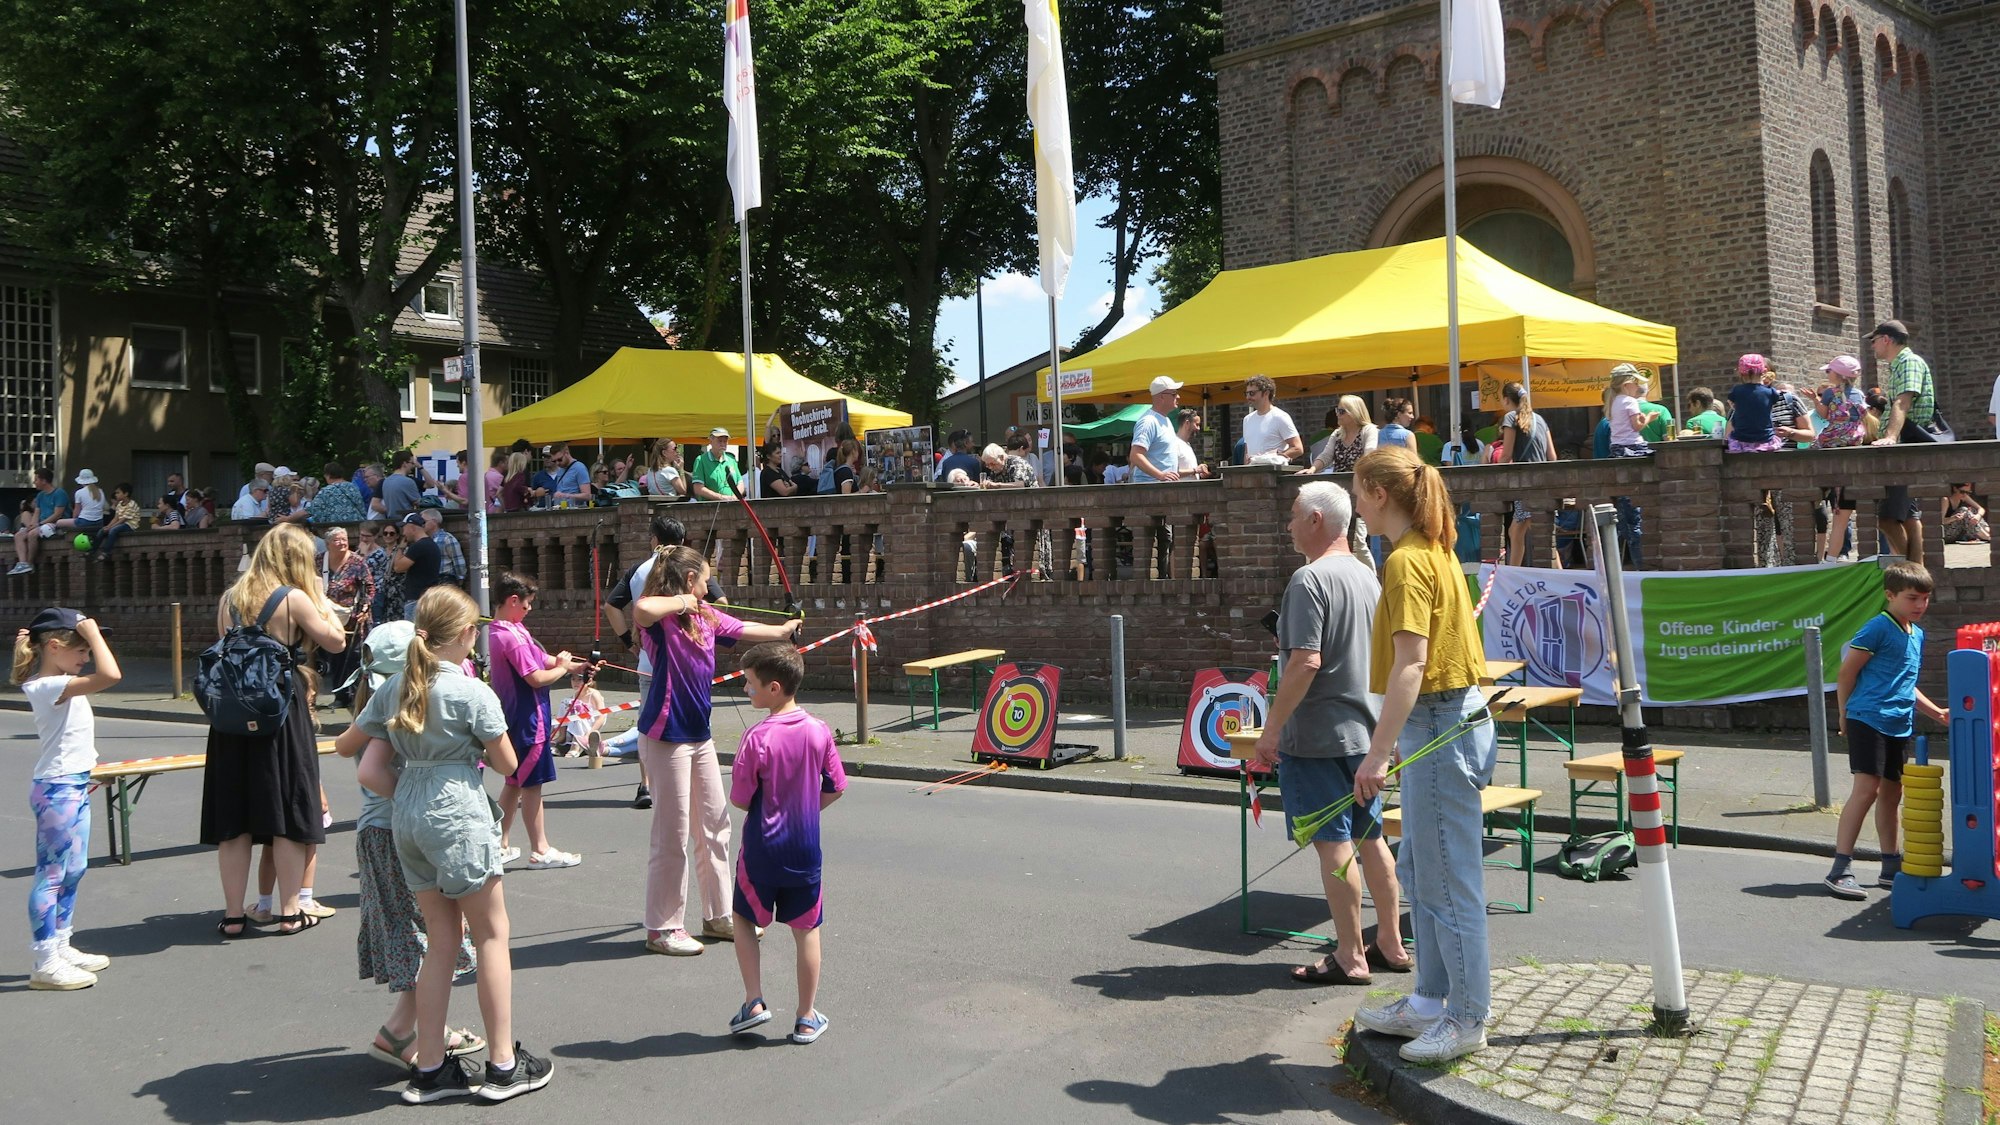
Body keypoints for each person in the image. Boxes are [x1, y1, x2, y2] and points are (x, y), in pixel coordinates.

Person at [355, 586, 556, 1103]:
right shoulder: (470, 690)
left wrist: (414, 796)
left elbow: (369, 766)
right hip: (457, 811)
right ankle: (503, 1066)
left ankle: (429, 1069)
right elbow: (510, 765)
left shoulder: (396, 686)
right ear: (466, 634)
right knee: (491, 936)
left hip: (408, 817)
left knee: (440, 943)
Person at [1350, 447, 1496, 1064]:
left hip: (1438, 722)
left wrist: (1376, 755)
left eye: (1357, 490)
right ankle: (1432, 1001)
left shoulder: (1408, 562)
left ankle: (1465, 1017)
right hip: (1448, 720)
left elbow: (1411, 663)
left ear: (1380, 494)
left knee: (1447, 883)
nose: (1355, 502)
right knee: (1423, 873)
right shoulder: (1432, 550)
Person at [1251, 482, 1407, 987]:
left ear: (1316, 519)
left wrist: (1270, 732)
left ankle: (1350, 954)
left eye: (1294, 515)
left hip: (1318, 738)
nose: (1289, 524)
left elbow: (1306, 662)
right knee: (1372, 838)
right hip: (1366, 735)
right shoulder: (1369, 578)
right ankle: (1390, 942)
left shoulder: (1307, 580)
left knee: (1334, 846)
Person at [630, 545, 802, 956]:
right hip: (665, 731)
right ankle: (663, 927)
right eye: (705, 578)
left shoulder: (705, 617)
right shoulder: (662, 618)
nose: (710, 586)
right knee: (672, 832)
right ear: (690, 580)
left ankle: (717, 914)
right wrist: (682, 601)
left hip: (698, 733)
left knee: (715, 825)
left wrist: (783, 630)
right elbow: (641, 610)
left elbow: (743, 628)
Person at [333, 621, 485, 1071]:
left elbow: (346, 748)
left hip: (379, 830)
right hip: (400, 828)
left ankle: (416, 1028)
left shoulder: (379, 701)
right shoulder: (405, 704)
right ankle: (401, 1031)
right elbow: (369, 771)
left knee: (421, 933)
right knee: (433, 935)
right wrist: (415, 795)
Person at [203, 524, 347, 939]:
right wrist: (319, 599)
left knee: (234, 819)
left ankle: (233, 915)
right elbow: (336, 642)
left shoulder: (229, 599)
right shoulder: (294, 598)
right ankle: (288, 911)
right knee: (285, 810)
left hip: (231, 717)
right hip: (280, 712)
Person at [725, 642, 845, 1044]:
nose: (745, 690)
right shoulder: (819, 730)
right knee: (806, 930)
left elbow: (740, 799)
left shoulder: (756, 737)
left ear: (774, 687)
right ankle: (807, 1016)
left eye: (750, 684)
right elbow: (836, 787)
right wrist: (807, 809)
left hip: (761, 849)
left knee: (742, 917)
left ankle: (754, 1000)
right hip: (804, 850)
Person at [1825, 562, 1947, 900]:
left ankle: (1890, 867)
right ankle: (1840, 868)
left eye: (1925, 599)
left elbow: (1906, 684)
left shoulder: (1917, 634)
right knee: (1867, 790)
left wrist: (1937, 712)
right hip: (1868, 717)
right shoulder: (1877, 627)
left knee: (1893, 794)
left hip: (1899, 722)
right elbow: (1847, 673)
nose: (1920, 606)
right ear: (1890, 595)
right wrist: (1845, 713)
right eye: (1912, 598)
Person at [14, 608, 121, 990]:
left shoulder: (57, 678)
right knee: (53, 874)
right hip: (57, 789)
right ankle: (45, 961)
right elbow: (111, 675)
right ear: (55, 647)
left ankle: (61, 944)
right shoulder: (48, 687)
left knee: (74, 869)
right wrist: (94, 634)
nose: (87, 656)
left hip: (72, 783)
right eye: (80, 649)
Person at [602, 515, 727, 809]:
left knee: (648, 725)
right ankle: (689, 787)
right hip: (687, 663)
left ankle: (646, 785)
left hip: (650, 660)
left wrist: (629, 642)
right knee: (691, 726)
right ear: (683, 542)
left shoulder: (639, 569)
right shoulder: (691, 568)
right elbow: (720, 606)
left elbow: (611, 606)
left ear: (655, 540)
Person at [487, 571, 587, 870]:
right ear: (513, 600)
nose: (530, 610)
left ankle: (500, 844)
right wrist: (563, 669)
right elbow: (536, 678)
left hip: (517, 719)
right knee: (533, 786)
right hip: (530, 721)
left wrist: (572, 665)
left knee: (515, 782)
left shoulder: (506, 630)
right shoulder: (511, 636)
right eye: (528, 604)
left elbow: (542, 659)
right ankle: (540, 849)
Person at [1869, 321, 1936, 565]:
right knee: (1909, 517)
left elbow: (1903, 403)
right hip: (1904, 445)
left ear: (1886, 339)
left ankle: (1912, 571)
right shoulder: (1899, 366)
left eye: (1874, 340)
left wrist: (1890, 437)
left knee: (1887, 518)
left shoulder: (1909, 362)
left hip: (1904, 446)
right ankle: (1917, 570)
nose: (1872, 346)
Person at [1498, 382, 1556, 567]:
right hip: (1543, 482)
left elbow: (1506, 454)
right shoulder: (1540, 419)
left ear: (1506, 400)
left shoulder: (1510, 418)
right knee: (1516, 531)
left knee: (1538, 534)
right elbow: (1552, 457)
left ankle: (1558, 574)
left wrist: (1496, 476)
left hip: (1525, 483)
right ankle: (1514, 573)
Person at [320, 525, 375, 709]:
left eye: (344, 539)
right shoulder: (319, 561)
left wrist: (365, 607)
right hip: (328, 618)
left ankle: (356, 696)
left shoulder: (357, 562)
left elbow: (369, 586)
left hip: (354, 617)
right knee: (334, 656)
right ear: (328, 544)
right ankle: (340, 695)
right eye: (337, 539)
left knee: (354, 657)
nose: (342, 542)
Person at [1601, 364, 1651, 567]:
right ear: (1627, 384)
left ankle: (1636, 558)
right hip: (1633, 449)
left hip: (1618, 450)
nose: (1638, 386)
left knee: (1626, 510)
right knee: (1636, 513)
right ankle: (1641, 562)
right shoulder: (1630, 401)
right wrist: (1648, 418)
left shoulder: (1614, 402)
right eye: (1636, 382)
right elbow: (1637, 426)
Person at [12, 467, 70, 576]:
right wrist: (32, 524)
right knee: (19, 535)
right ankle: (22, 563)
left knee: (32, 534)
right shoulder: (40, 496)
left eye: (36, 479)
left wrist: (39, 525)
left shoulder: (59, 493)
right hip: (42, 524)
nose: (34, 482)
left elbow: (58, 514)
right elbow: (37, 513)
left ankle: (30, 564)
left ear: (44, 481)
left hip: (57, 524)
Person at [1129, 376, 1183, 483]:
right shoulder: (1148, 421)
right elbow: (1135, 455)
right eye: (1173, 393)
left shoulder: (1165, 420)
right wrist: (1161, 475)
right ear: (1162, 397)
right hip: (1150, 490)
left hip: (1160, 489)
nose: (1178, 396)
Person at [1240, 374, 1303, 465]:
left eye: (1252, 393)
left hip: (1274, 475)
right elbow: (1247, 453)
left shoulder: (1280, 417)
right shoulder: (1247, 419)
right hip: (1252, 475)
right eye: (1246, 393)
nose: (1248, 397)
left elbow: (1298, 448)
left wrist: (1274, 458)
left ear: (1266, 393)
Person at [1308, 396, 1377, 475]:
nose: (1337, 414)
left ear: (1354, 412)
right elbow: (1326, 455)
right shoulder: (1337, 433)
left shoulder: (1368, 430)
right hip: (1339, 481)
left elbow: (1369, 453)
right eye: (1337, 410)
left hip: (1360, 479)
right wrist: (1312, 469)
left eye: (1341, 411)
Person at [393, 513, 443, 620]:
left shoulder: (419, 546)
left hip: (417, 600)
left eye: (404, 528)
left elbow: (398, 567)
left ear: (412, 527)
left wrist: (400, 548)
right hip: (428, 598)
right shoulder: (431, 544)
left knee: (413, 634)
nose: (403, 532)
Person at [51, 469, 107, 544]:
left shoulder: (79, 493)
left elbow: (76, 511)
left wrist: (74, 520)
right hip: (99, 522)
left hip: (84, 521)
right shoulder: (100, 491)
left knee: (59, 522)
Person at [90, 483, 143, 560]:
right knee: (102, 530)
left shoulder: (132, 505)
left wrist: (111, 527)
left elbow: (123, 520)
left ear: (126, 494)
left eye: (118, 493)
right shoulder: (119, 504)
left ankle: (106, 552)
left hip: (130, 525)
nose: (116, 495)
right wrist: (108, 526)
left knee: (113, 530)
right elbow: (116, 518)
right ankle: (92, 551)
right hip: (121, 524)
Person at [691, 429, 743, 502]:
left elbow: (740, 482)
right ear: (711, 441)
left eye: (725, 441)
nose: (723, 444)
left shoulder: (731, 460)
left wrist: (735, 497)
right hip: (709, 508)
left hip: (732, 506)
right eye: (720, 441)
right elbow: (698, 488)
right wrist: (721, 498)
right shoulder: (701, 460)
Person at [422, 509, 467, 587]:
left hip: (445, 580)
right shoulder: (422, 541)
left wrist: (460, 580)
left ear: (434, 522)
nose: (421, 524)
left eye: (423, 521)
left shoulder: (447, 538)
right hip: (428, 581)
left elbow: (458, 561)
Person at [382, 452, 424, 520]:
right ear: (404, 464)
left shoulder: (386, 481)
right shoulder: (407, 481)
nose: (413, 466)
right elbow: (419, 503)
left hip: (391, 520)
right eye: (412, 463)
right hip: (405, 521)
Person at [1171, 409, 1211, 479]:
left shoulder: (1187, 444)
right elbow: (1172, 472)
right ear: (1187, 424)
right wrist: (1195, 470)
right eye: (1197, 424)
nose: (1198, 428)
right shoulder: (1174, 444)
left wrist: (1199, 473)